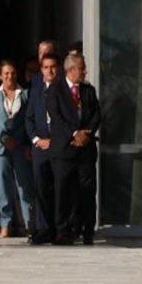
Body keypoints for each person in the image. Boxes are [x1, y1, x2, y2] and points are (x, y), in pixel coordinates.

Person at [46, 53, 101, 245]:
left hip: (85, 150)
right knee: (62, 191)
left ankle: (87, 230)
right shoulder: (56, 90)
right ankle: (62, 230)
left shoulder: (88, 91)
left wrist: (86, 134)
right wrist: (74, 133)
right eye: (81, 68)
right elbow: (56, 115)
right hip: (64, 149)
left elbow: (96, 113)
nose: (85, 72)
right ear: (70, 70)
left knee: (87, 190)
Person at [0, 60, 33, 239]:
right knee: (2, 188)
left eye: (12, 73)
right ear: (0, 75)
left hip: (20, 146)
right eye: (6, 73)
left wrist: (18, 139)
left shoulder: (25, 95)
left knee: (24, 186)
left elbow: (29, 120)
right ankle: (5, 224)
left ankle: (28, 224)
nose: (10, 77)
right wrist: (3, 137)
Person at [25, 52, 59, 244]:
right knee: (40, 189)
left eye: (53, 67)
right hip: (40, 147)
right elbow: (29, 118)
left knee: (58, 189)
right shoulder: (36, 91)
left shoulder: (64, 91)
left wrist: (56, 140)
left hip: (59, 146)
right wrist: (37, 139)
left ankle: (59, 228)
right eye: (46, 67)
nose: (49, 71)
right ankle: (42, 228)